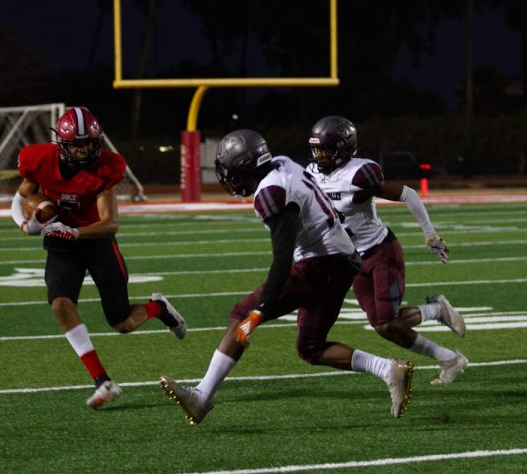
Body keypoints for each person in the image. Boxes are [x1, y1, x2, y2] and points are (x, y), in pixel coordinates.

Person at [159, 129, 415, 426]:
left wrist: (260, 310)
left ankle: (202, 396)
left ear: (244, 169)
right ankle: (389, 370)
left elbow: (282, 259)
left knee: (241, 314)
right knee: (311, 347)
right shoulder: (281, 163)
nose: (229, 179)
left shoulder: (271, 193)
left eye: (231, 172)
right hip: (343, 260)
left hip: (321, 263)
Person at [11, 107, 187, 410]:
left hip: (95, 240)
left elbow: (110, 222)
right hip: (61, 241)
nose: (83, 150)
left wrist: (76, 233)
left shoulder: (107, 167)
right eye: (76, 144)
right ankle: (101, 380)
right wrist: (40, 212)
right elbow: (24, 193)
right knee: (60, 305)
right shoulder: (39, 158)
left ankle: (158, 308)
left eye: (88, 144)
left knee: (120, 322)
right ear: (62, 144)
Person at [305, 116, 468, 385]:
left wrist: (430, 234)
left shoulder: (360, 173)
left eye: (327, 149)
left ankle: (437, 310)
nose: (321, 155)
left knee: (389, 322)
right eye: (318, 149)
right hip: (352, 260)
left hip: (381, 252)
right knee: (384, 328)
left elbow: (409, 194)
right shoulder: (310, 174)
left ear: (345, 148)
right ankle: (449, 357)